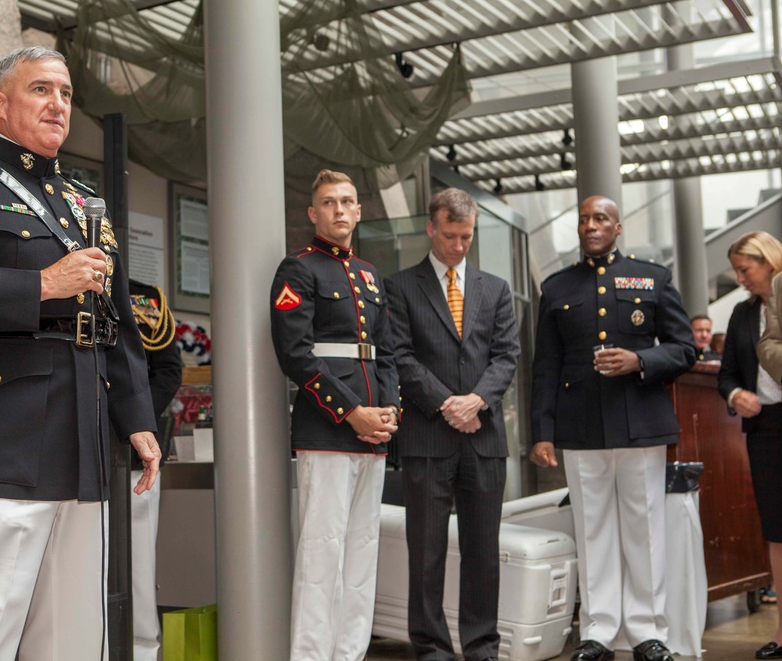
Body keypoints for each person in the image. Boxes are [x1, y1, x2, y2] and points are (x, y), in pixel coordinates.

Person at [0, 46, 161, 660]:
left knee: (74, 637)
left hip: (86, 441)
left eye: (66, 94)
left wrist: (139, 419)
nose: (58, 104)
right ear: (0, 103)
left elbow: (115, 318)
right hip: (3, 438)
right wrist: (43, 284)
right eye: (41, 89)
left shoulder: (83, 201)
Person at [529, 195, 695, 661]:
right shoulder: (557, 287)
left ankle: (647, 630)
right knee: (593, 530)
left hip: (641, 422)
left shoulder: (653, 278)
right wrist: (542, 431)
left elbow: (684, 348)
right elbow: (546, 365)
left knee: (644, 529)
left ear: (617, 227)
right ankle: (598, 631)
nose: (590, 226)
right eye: (583, 219)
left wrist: (640, 359)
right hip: (580, 426)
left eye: (600, 218)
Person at [269, 169, 400, 661]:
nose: (339, 210)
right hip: (328, 428)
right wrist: (353, 413)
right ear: (313, 213)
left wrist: (389, 412)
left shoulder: (368, 274)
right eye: (329, 203)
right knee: (322, 553)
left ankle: (350, 654)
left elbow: (385, 352)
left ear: (359, 211)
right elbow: (296, 354)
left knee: (363, 553)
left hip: (374, 432)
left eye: (347, 201)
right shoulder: (298, 269)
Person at [384, 188, 519, 661]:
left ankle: (482, 647)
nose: (459, 245)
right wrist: (448, 404)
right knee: (426, 553)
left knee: (483, 551)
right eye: (450, 235)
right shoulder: (399, 287)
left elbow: (507, 356)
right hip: (426, 438)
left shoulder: (496, 288)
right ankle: (433, 650)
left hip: (483, 440)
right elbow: (399, 357)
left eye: (466, 236)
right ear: (430, 228)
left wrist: (477, 401)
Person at [724, 231, 782, 660]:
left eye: (744, 269)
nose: (740, 278)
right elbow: (727, 373)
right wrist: (735, 396)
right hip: (765, 429)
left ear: (767, 261)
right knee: (779, 532)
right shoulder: (741, 315)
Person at [127, 278, 182, 661]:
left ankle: (143, 651)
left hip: (134, 457)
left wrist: (135, 420)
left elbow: (168, 370)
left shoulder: (144, 297)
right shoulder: (51, 273)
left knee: (139, 568)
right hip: (70, 447)